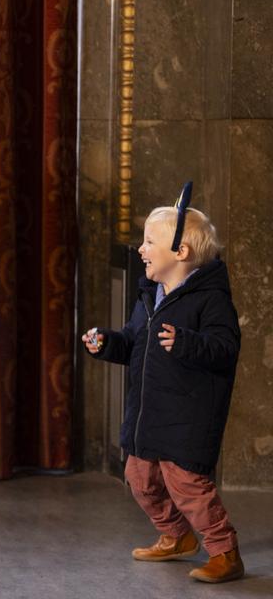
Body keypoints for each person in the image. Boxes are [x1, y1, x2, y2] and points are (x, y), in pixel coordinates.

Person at [84, 204, 243, 583]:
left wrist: (186, 342)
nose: (141, 248)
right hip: (148, 413)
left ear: (181, 253)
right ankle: (177, 535)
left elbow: (225, 348)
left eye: (149, 241)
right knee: (140, 479)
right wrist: (108, 343)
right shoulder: (150, 296)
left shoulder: (210, 299)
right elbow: (134, 343)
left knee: (188, 487)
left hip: (189, 416)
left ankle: (225, 552)